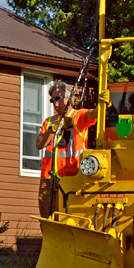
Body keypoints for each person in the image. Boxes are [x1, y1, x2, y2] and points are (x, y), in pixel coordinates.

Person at [36, 79, 97, 217]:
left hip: (71, 177)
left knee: (68, 215)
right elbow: (39, 144)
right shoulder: (50, 121)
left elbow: (94, 114)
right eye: (52, 100)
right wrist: (52, 130)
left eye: (58, 98)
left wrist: (104, 103)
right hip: (49, 178)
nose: (55, 103)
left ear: (68, 98)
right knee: (47, 215)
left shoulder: (78, 116)